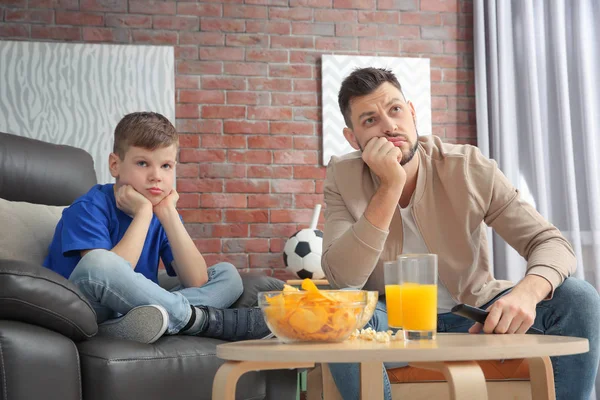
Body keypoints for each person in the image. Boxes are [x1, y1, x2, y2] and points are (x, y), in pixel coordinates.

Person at [322, 67, 599, 400]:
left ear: (411, 112)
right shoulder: (342, 175)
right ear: (353, 138)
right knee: (340, 315)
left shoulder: (465, 165)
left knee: (579, 298)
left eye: (395, 110)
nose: (389, 126)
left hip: (473, 313)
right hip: (391, 322)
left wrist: (527, 292)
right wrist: (390, 186)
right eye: (370, 120)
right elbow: (343, 279)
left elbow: (550, 242)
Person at [43, 112, 270, 344]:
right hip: (86, 308)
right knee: (99, 262)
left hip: (136, 307)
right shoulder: (88, 208)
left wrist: (169, 214)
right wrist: (143, 213)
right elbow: (107, 275)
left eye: (166, 166)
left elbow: (197, 280)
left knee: (227, 275)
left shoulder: (161, 210)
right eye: (143, 163)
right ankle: (198, 320)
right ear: (115, 165)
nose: (156, 176)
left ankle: (140, 323)